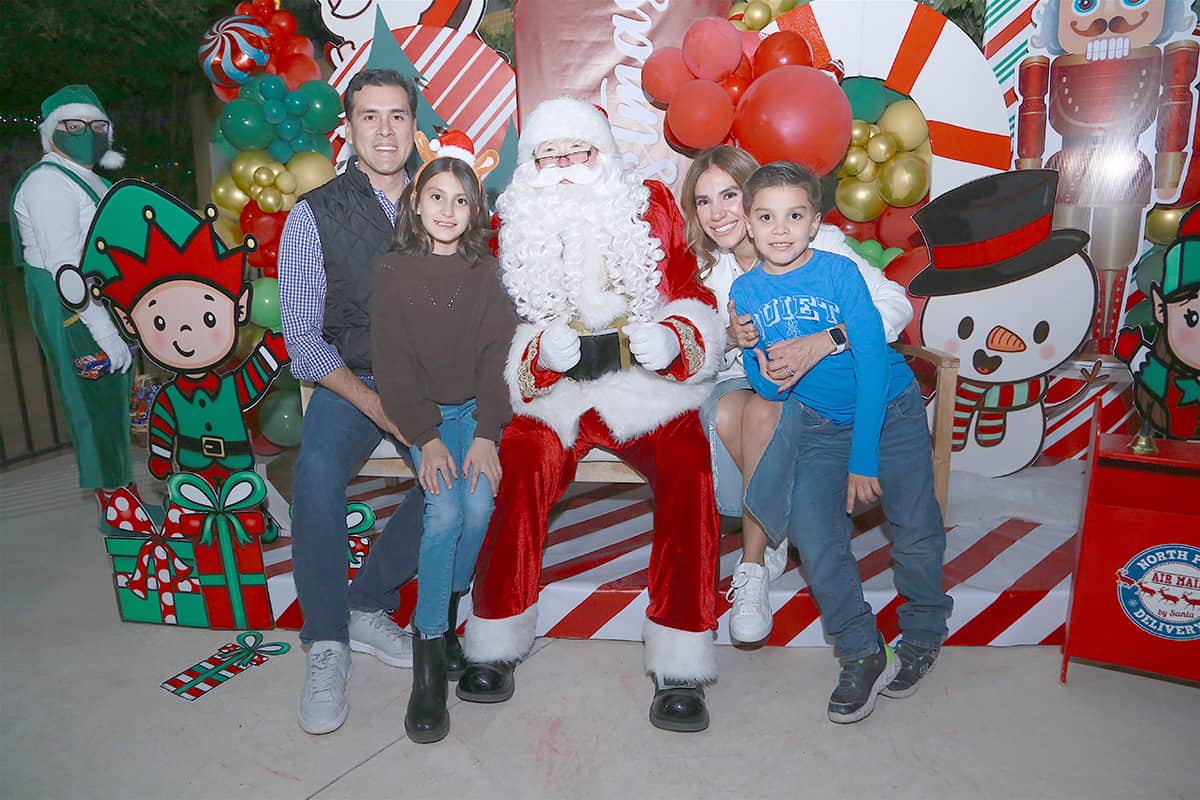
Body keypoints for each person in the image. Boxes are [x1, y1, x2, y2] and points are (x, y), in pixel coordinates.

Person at [456, 97, 726, 733]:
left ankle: (681, 658)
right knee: (520, 465)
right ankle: (494, 637)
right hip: (558, 393)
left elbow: (690, 296)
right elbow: (500, 329)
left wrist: (677, 339)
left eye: (579, 154)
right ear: (531, 167)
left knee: (690, 466)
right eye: (549, 158)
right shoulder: (510, 224)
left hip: (642, 383)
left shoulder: (650, 207)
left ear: (604, 155)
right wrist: (538, 356)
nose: (566, 168)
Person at [731, 162, 951, 724]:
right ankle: (859, 649)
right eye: (766, 217)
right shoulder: (746, 289)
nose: (780, 229)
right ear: (749, 227)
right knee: (812, 532)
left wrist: (864, 459)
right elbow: (769, 384)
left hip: (890, 413)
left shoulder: (837, 273)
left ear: (815, 223)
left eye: (795, 215)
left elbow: (874, 356)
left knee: (915, 525)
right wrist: (753, 351)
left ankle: (923, 634)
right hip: (821, 424)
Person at [678, 145, 912, 644]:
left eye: (729, 195)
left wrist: (825, 341)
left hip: (820, 378)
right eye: (703, 202)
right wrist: (730, 339)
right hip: (747, 375)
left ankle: (753, 563)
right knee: (722, 412)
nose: (718, 213)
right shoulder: (711, 272)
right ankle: (773, 527)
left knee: (764, 411)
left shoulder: (820, 243)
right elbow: (706, 361)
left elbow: (892, 305)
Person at [278, 68, 426, 736]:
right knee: (313, 474)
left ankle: (369, 601)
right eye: (371, 116)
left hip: (428, 381)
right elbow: (302, 343)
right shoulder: (313, 215)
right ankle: (328, 640)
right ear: (349, 128)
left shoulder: (445, 198)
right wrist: (374, 404)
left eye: (398, 115)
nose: (386, 130)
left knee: (465, 469)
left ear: (414, 125)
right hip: (350, 376)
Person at [371, 148, 517, 743]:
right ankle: (428, 656)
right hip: (420, 416)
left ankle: (449, 614)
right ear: (415, 203)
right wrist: (427, 441)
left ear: (475, 210)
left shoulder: (487, 273)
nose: (449, 209)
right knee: (446, 511)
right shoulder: (392, 272)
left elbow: (496, 359)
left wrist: (486, 433)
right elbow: (394, 369)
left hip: (473, 412)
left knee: (479, 505)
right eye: (437, 197)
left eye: (462, 199)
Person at [11, 84, 134, 515]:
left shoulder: (89, 177)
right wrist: (105, 334)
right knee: (92, 404)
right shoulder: (48, 184)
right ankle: (119, 512)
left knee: (111, 399)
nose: (87, 132)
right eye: (74, 125)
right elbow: (68, 271)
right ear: (51, 132)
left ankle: (124, 501)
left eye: (97, 125)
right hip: (73, 308)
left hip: (95, 300)